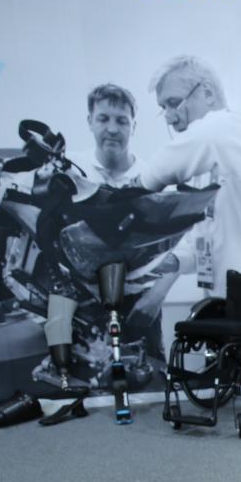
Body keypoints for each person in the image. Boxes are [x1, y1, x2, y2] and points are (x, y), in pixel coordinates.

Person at [140, 55, 241, 299]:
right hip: (220, 300)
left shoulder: (234, 128)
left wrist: (137, 186)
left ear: (207, 93)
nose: (168, 116)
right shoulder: (205, 164)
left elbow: (207, 134)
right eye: (163, 108)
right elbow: (204, 238)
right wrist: (173, 260)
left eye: (173, 103)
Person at [65, 83, 178, 347]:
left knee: (149, 381)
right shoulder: (70, 171)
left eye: (122, 121)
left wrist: (156, 298)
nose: (112, 129)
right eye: (103, 119)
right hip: (81, 306)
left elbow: (180, 245)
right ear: (90, 121)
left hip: (140, 305)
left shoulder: (155, 178)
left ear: (133, 127)